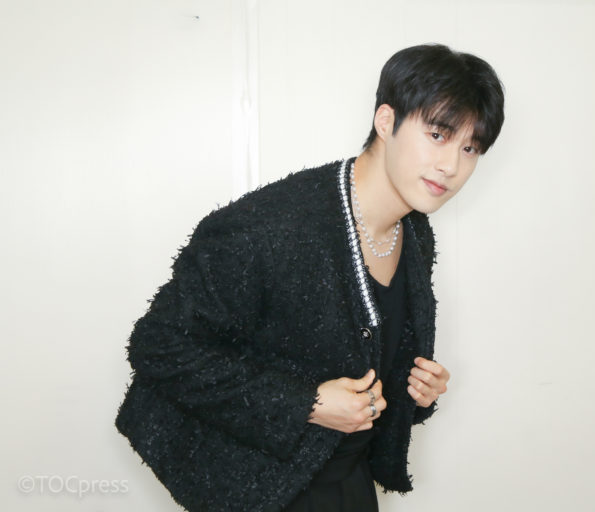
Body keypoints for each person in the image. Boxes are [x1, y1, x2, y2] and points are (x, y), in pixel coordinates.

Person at [115, 43, 504, 512]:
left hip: (349, 480)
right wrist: (306, 403)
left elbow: (358, 361)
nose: (452, 166)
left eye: (470, 148)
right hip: (264, 491)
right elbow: (157, 347)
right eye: (438, 135)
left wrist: (415, 392)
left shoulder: (414, 231)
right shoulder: (268, 228)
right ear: (386, 121)